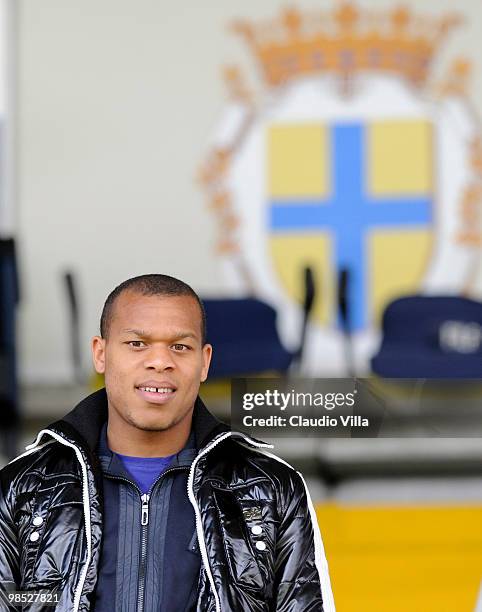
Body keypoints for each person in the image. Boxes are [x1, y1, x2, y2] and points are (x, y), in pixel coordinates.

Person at [0, 274, 335, 611]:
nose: (160, 362)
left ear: (204, 362)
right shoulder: (20, 487)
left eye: (180, 346)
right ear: (100, 354)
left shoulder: (273, 488)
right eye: (137, 344)